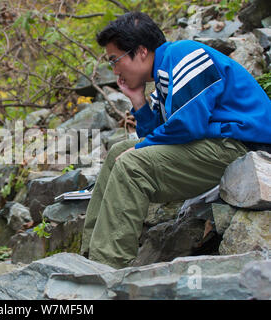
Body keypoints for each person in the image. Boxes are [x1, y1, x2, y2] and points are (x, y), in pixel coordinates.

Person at [80, 11, 271, 269]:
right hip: (214, 145)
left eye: (115, 60)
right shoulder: (162, 77)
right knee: (118, 153)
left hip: (241, 146)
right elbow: (158, 138)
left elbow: (186, 125)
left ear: (142, 51)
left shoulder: (184, 54)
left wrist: (140, 147)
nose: (115, 70)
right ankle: (88, 258)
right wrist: (138, 101)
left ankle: (105, 268)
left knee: (132, 164)